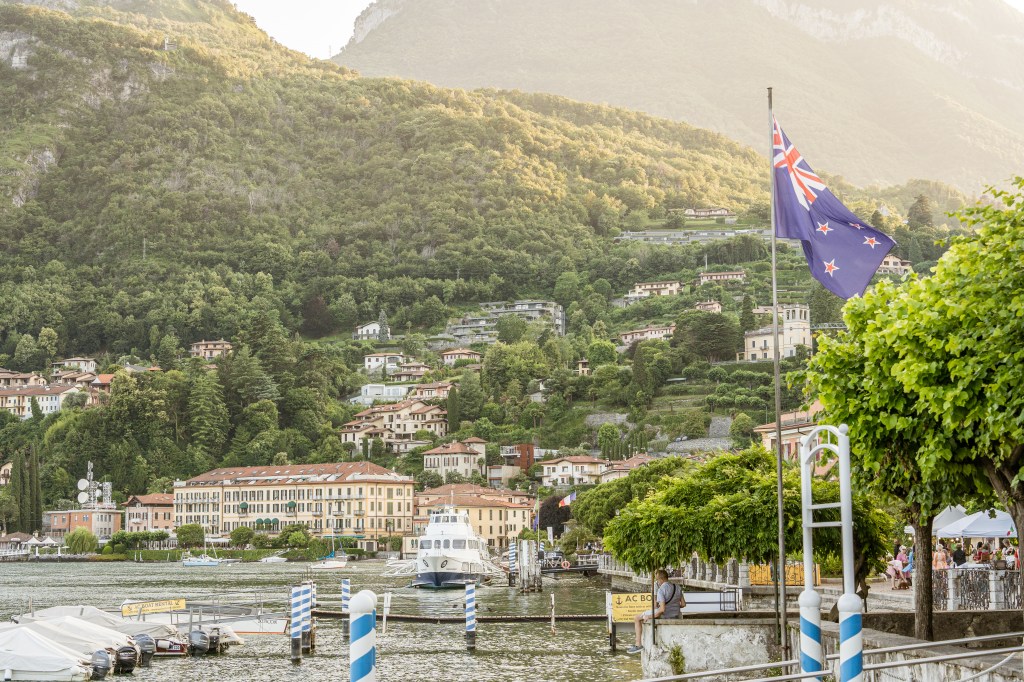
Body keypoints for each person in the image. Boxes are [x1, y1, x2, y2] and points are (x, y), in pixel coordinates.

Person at [628, 569, 683, 654]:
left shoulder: (661, 590)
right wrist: (672, 605)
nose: (657, 582)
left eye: (657, 579)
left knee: (636, 618)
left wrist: (649, 616)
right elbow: (683, 604)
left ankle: (638, 644)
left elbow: (662, 610)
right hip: (675, 614)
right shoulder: (678, 587)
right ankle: (637, 644)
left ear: (661, 579)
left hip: (665, 615)